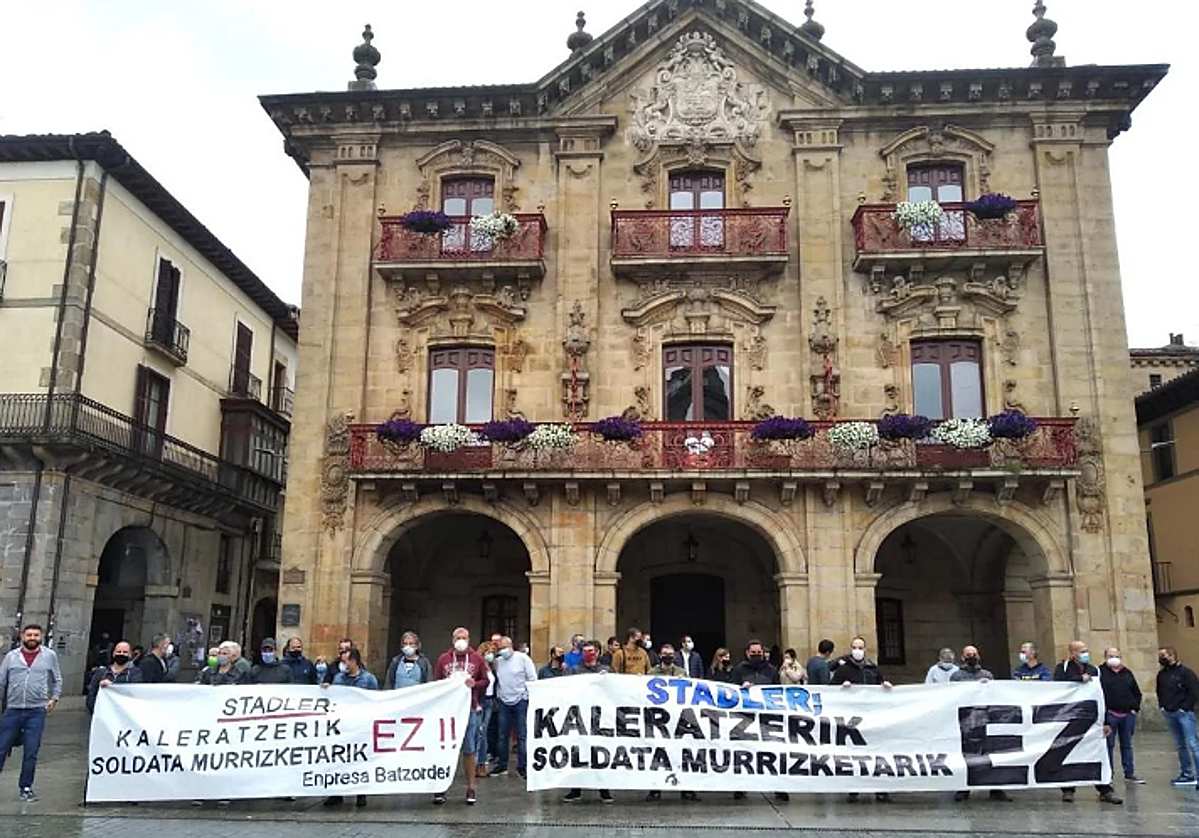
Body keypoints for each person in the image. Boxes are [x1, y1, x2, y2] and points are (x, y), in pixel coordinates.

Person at [1053, 640, 1122, 804]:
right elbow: (1057, 688)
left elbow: (1100, 697)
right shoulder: (1062, 669)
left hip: (1091, 719)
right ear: (1073, 653)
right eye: (1082, 651)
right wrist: (1077, 678)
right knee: (1067, 752)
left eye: (1086, 650)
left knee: (1097, 752)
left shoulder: (1094, 670)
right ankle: (1068, 789)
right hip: (1069, 718)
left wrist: (1105, 721)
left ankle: (1105, 788)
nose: (1085, 653)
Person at [0, 625, 62, 803]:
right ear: (22, 637)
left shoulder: (49, 656)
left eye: (36, 634)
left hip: (36, 711)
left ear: (41, 637)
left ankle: (26, 787)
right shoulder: (11, 657)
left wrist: (54, 698)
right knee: (2, 748)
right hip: (13, 709)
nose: (32, 637)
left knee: (31, 751)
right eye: (29, 635)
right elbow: (1, 680)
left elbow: (57, 678)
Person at [433, 627, 489, 805]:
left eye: (464, 637)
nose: (461, 640)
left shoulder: (476, 659)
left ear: (469, 639)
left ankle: (471, 787)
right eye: (458, 637)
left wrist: (475, 683)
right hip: (448, 711)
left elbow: (485, 681)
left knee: (469, 749)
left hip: (469, 709)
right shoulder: (444, 660)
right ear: (452, 639)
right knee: (445, 748)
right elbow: (436, 683)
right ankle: (440, 788)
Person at [834, 637, 892, 803]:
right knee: (854, 755)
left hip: (872, 718)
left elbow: (881, 682)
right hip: (852, 720)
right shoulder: (844, 670)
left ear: (865, 649)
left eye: (860, 647)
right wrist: (840, 688)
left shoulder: (873, 668)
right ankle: (854, 789)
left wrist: (886, 686)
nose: (857, 650)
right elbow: (828, 690)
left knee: (876, 754)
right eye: (854, 647)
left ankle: (880, 789)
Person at [950, 646, 1011, 803]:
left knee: (990, 754)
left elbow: (995, 695)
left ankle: (995, 788)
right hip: (966, 721)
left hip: (985, 719)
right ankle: (964, 788)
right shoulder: (957, 676)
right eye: (968, 655)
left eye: (974, 654)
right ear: (963, 658)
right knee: (968, 755)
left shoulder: (987, 675)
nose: (972, 657)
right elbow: (952, 695)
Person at [323, 649, 375, 807]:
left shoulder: (368, 679)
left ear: (354, 662)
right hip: (342, 725)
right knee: (339, 759)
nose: (342, 665)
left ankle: (360, 793)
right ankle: (337, 793)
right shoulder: (338, 678)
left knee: (360, 759)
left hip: (360, 725)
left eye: (345, 661)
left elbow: (376, 700)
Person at [563, 640, 613, 804]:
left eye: (591, 651)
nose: (587, 654)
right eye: (585, 651)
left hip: (600, 716)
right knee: (578, 752)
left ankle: (604, 789)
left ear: (598, 652)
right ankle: (576, 789)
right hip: (580, 716)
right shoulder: (575, 670)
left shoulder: (605, 670)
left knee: (600, 752)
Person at [492, 636, 537, 779]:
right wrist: (499, 696)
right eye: (500, 649)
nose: (503, 651)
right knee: (502, 735)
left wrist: (526, 696)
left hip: (521, 700)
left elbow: (532, 678)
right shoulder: (498, 662)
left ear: (511, 646)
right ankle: (502, 765)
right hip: (504, 701)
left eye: (505, 647)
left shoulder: (523, 659)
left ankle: (523, 766)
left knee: (522, 735)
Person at [1156, 646, 1199, 787]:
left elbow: (1194, 691)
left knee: (1193, 744)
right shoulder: (1162, 674)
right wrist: (1162, 706)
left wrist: (1185, 707)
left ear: (1172, 655)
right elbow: (1159, 690)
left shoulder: (1186, 673)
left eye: (1163, 655)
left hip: (1184, 713)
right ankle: (1186, 774)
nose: (1161, 658)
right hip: (1169, 712)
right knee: (1180, 745)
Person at [1100, 646, 1143, 784]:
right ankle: (1108, 774)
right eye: (1110, 656)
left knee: (1127, 745)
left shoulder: (1127, 672)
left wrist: (1135, 707)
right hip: (1110, 714)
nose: (1114, 659)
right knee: (1109, 745)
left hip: (1127, 714)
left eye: (1116, 656)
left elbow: (1136, 691)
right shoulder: (1101, 673)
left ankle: (1129, 773)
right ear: (1105, 657)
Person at [86, 640, 142, 714]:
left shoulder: (135, 673)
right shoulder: (101, 673)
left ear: (130, 655)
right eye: (119, 652)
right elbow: (91, 695)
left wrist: (112, 686)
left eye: (125, 652)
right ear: (113, 654)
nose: (121, 654)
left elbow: (133, 692)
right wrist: (96, 711)